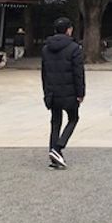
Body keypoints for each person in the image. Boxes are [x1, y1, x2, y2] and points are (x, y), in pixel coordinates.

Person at [41, 17, 84, 169]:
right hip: (69, 92)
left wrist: (46, 92)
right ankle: (58, 148)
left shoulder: (46, 49)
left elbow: (44, 73)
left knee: (55, 122)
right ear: (68, 30)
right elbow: (78, 73)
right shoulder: (74, 48)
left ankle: (54, 154)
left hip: (53, 92)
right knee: (73, 119)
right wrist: (81, 93)